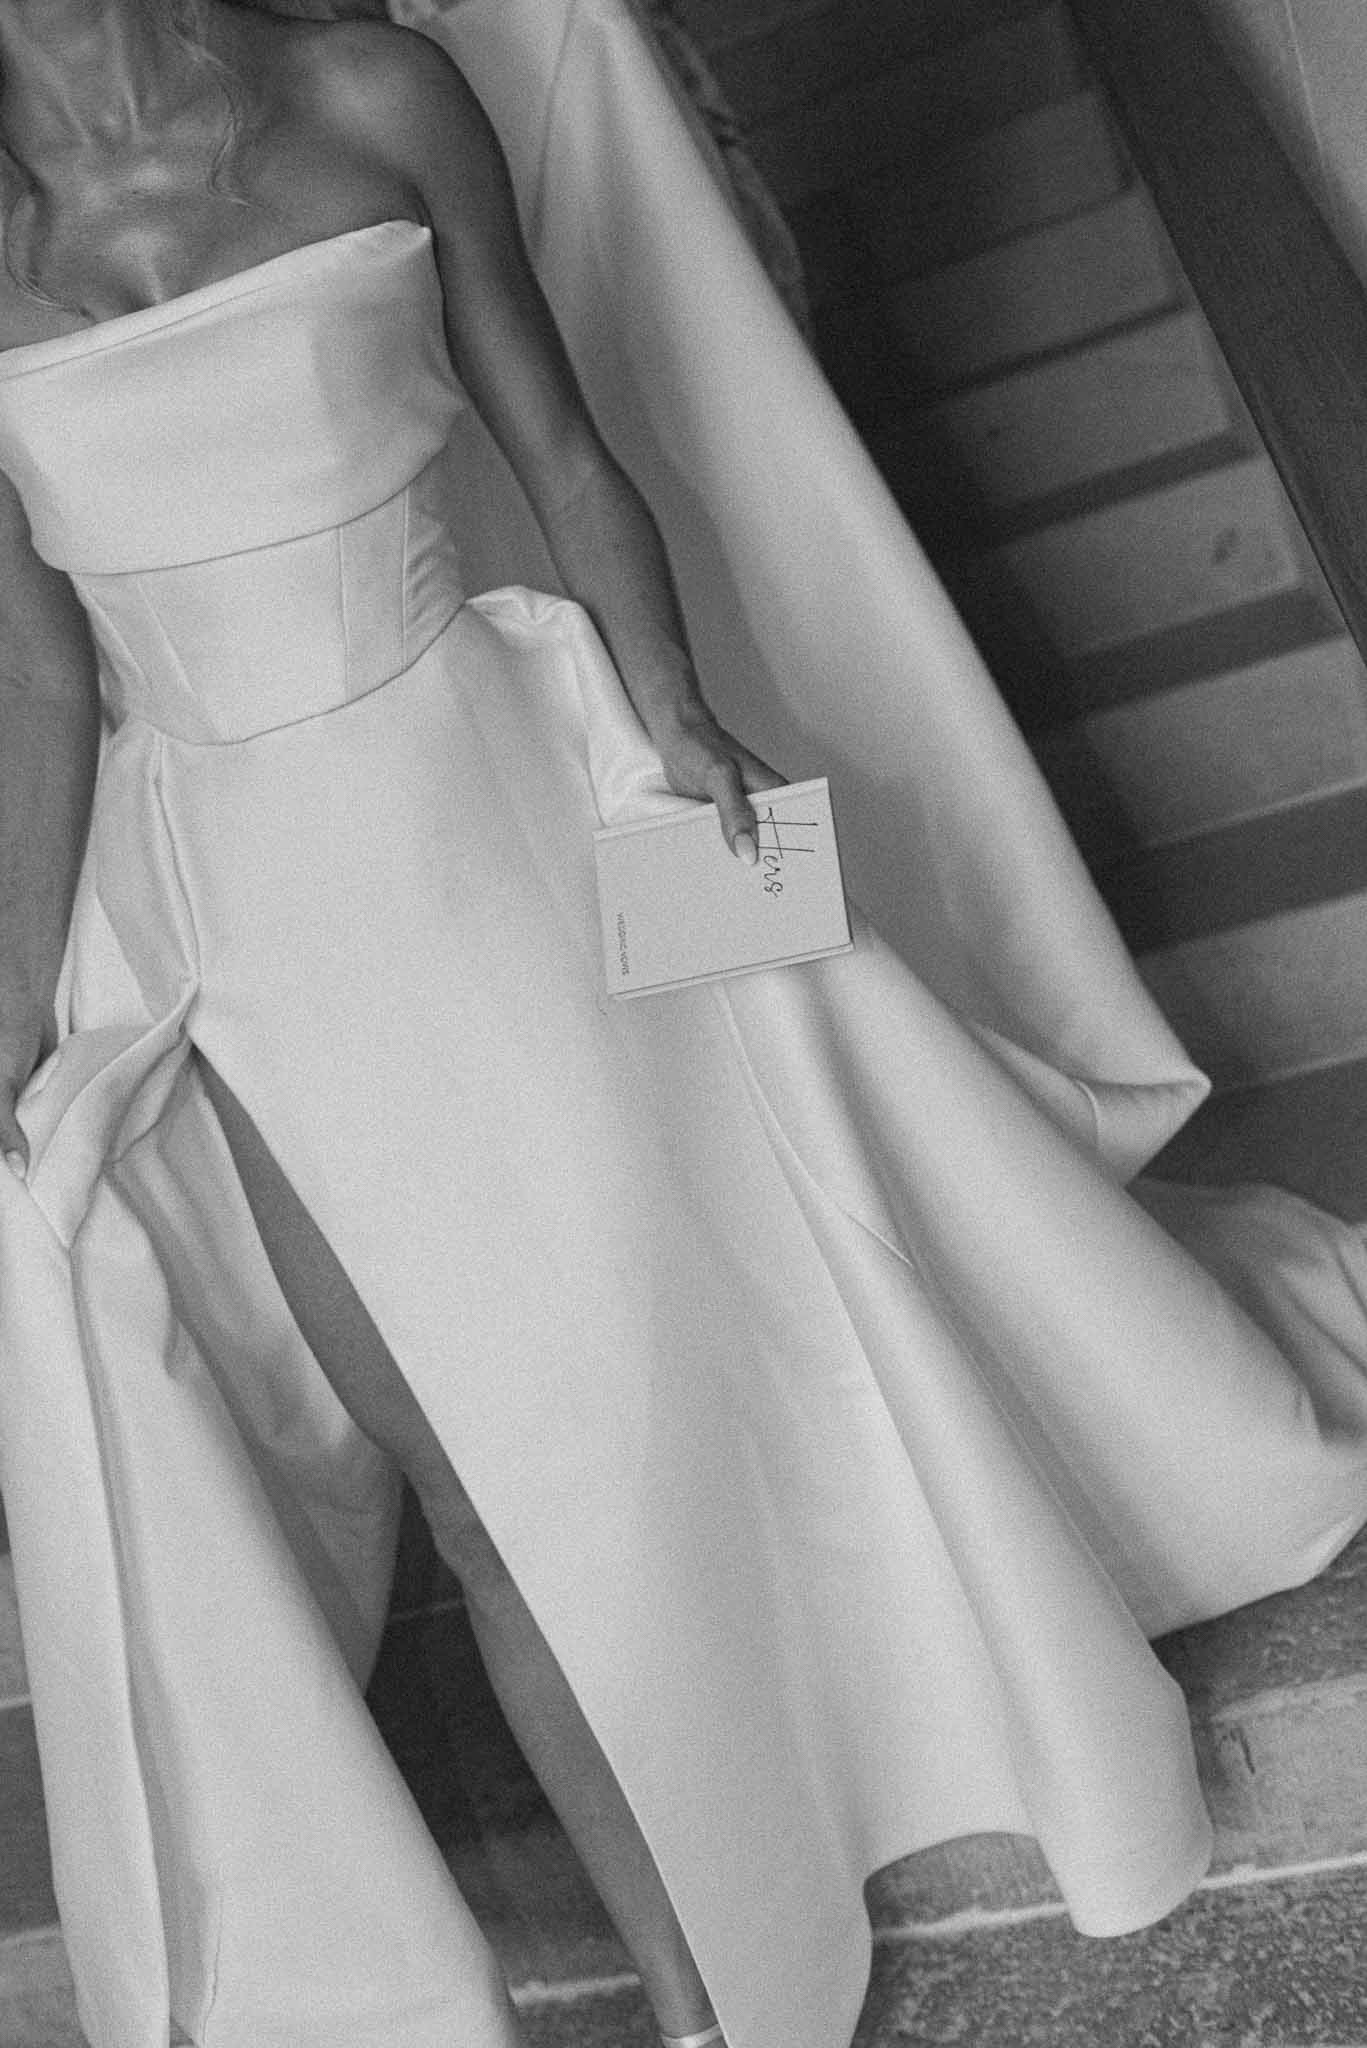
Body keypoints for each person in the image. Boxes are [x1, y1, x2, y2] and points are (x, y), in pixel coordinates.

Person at [0, 7, 1365, 2048]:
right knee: (475, 1481)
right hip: (224, 922)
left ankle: (891, 1696)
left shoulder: (366, 90)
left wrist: (682, 718)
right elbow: (33, 675)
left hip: (515, 797)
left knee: (740, 1307)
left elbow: (559, 444)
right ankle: (714, 1999)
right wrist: (16, 1013)